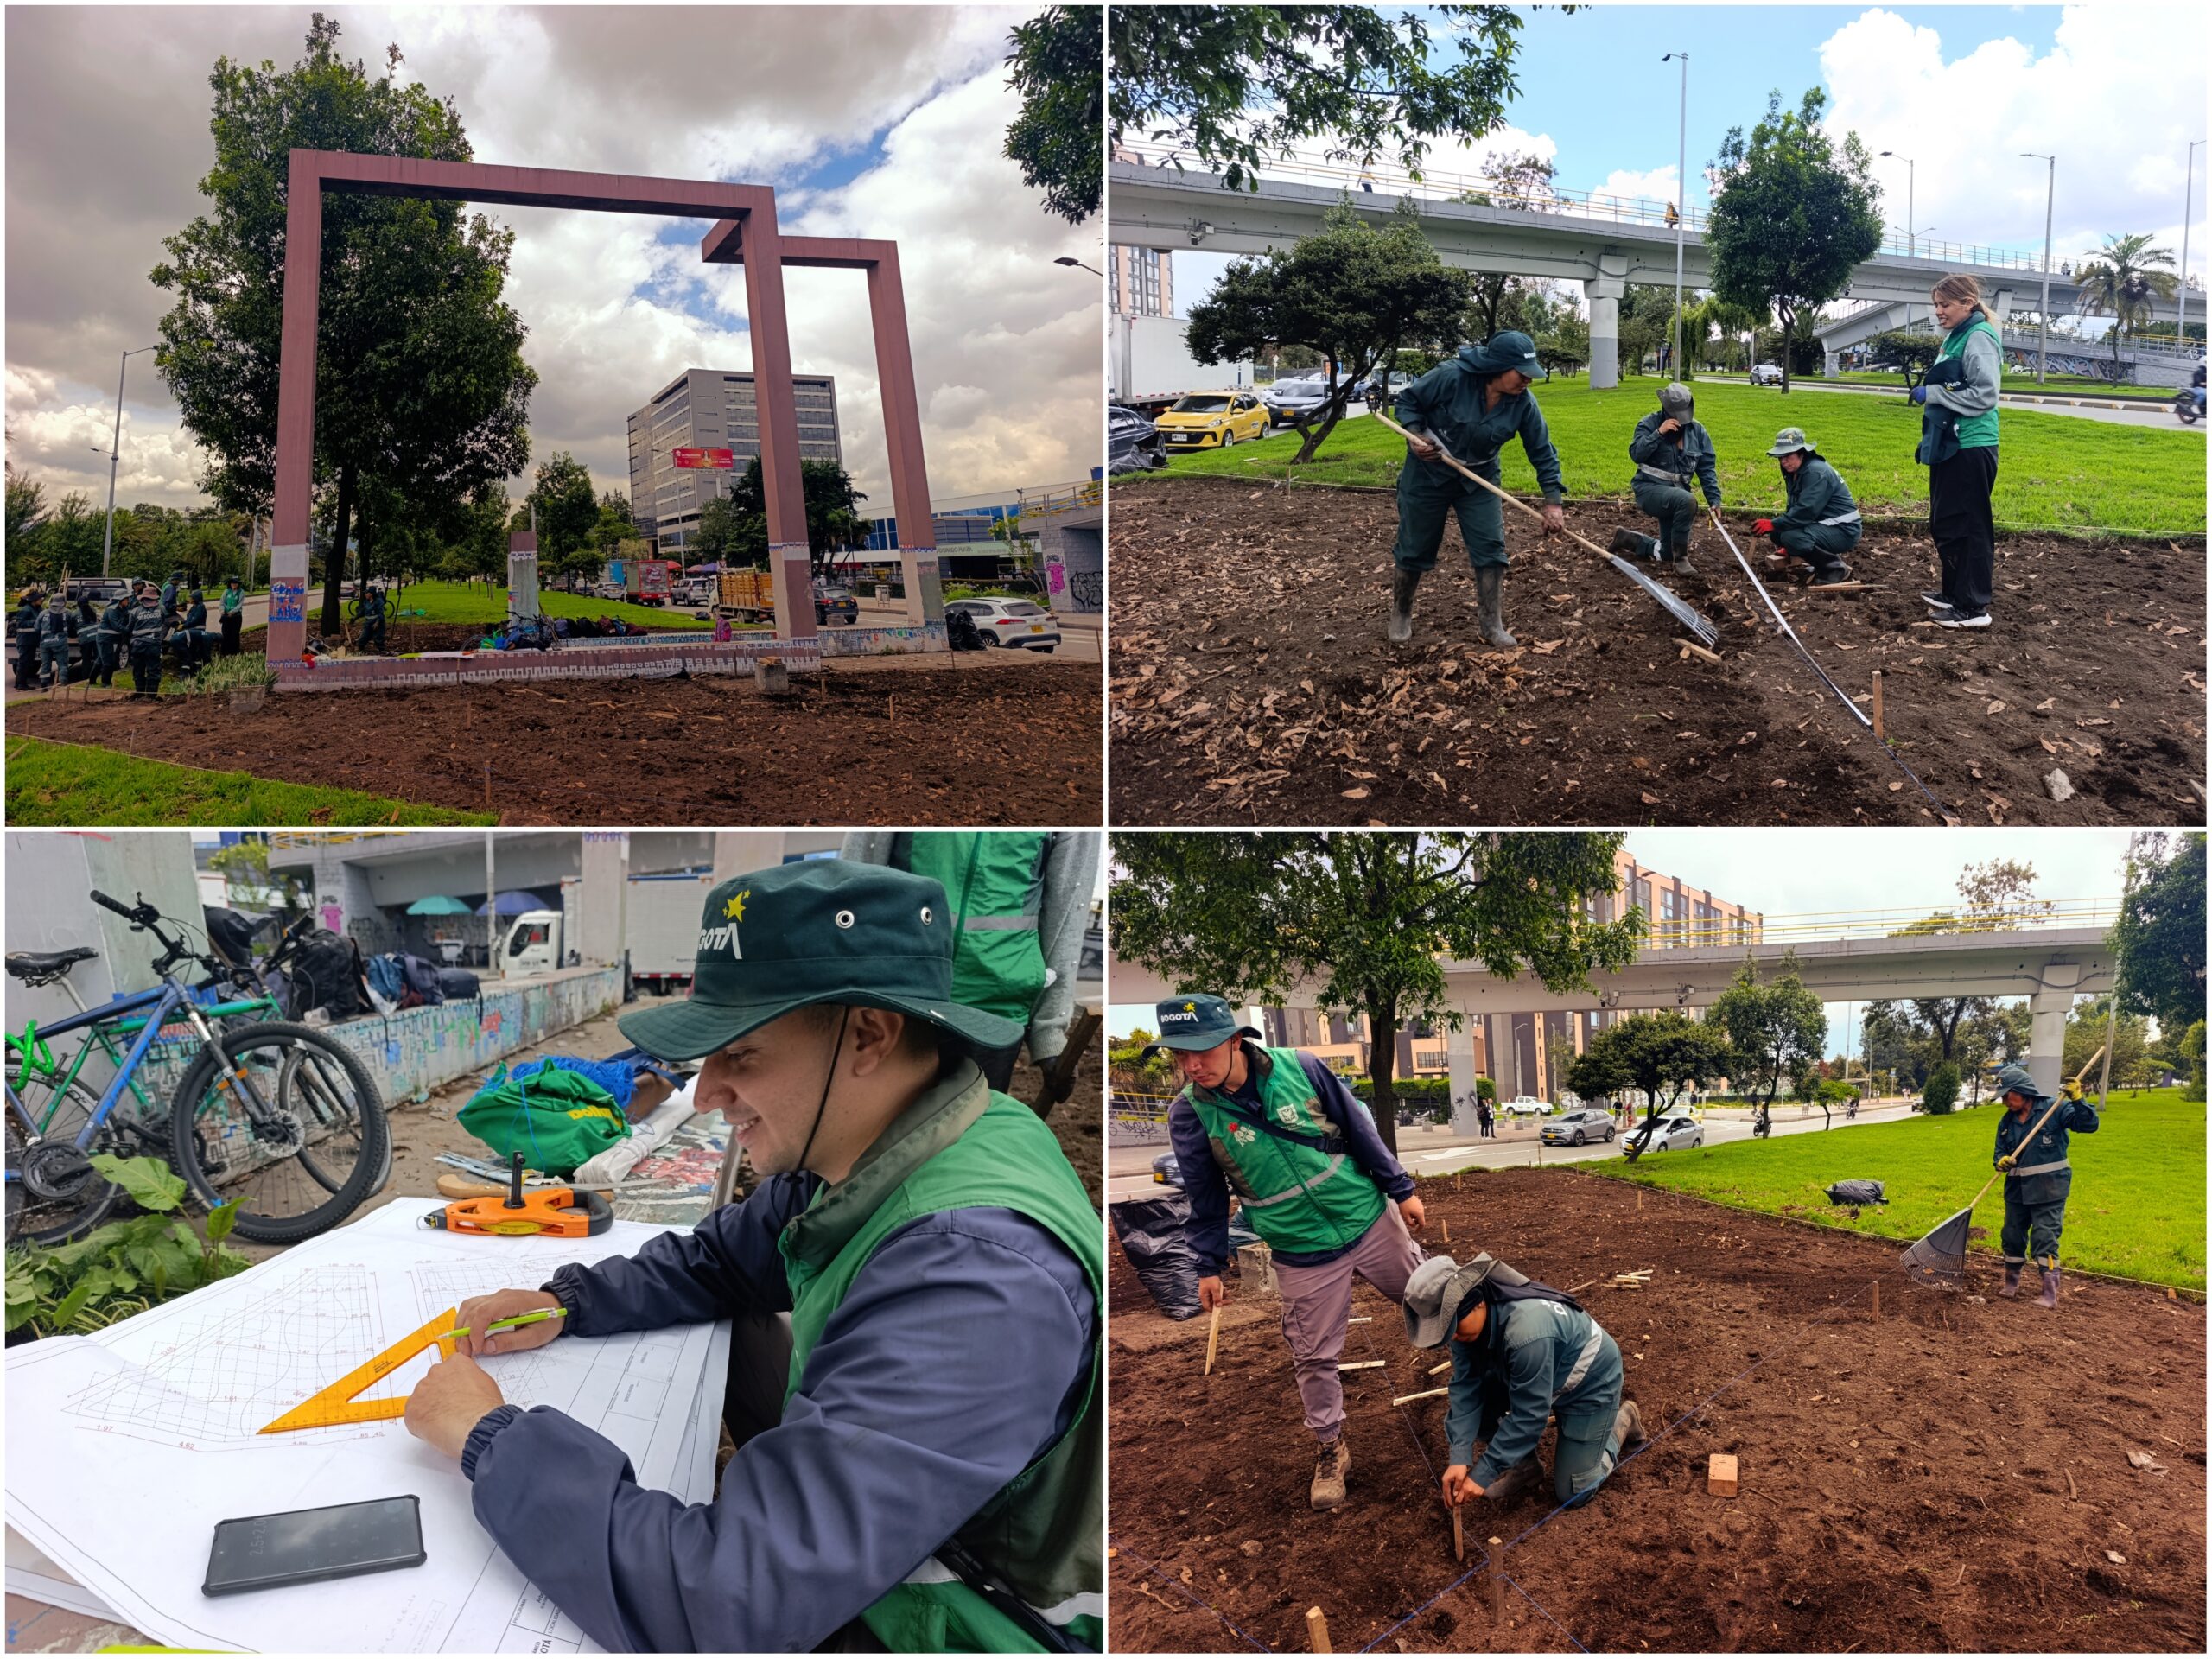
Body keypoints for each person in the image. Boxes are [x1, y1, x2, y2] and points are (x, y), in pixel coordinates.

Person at [398, 861, 1103, 1653]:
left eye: (741, 1053)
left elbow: (729, 1601)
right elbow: (722, 1261)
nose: (704, 1094)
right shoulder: (881, 1142)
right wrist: (569, 1301)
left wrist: (491, 1437)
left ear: (868, 1035)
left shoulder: (978, 1281)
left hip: (970, 1615)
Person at [1149, 994, 1423, 1510]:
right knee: (1313, 1356)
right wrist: (1208, 1265)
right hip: (1301, 1249)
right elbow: (1205, 1195)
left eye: (1200, 1051)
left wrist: (1401, 1189)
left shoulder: (1302, 1069)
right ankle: (1330, 1449)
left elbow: (1360, 1129)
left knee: (1437, 1302)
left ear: (1234, 1041)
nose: (1189, 1065)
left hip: (1368, 1219)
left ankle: (1493, 1385)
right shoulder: (1190, 1114)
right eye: (1177, 1056)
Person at [839, 832, 1099, 1095]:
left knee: (970, 1131)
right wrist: (840, 981)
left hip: (995, 1013)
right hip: (900, 993)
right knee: (879, 1127)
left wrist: (1050, 1029)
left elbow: (1068, 910)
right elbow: (858, 868)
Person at [1403, 1252, 1645, 1513]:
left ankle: (1622, 1421)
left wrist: (1484, 1472)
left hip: (1589, 1384)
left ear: (1478, 1303)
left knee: (1574, 1493)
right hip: (1538, 1375)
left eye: (1453, 1327)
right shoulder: (1466, 1331)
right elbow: (1466, 1387)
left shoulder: (1526, 1332)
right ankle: (1526, 1469)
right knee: (1481, 1402)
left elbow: (1530, 1416)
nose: (1454, 1338)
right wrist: (1459, 1456)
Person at [1388, 330, 1567, 648]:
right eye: (1522, 374)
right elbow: (1408, 402)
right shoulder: (1450, 377)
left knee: (1490, 547)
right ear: (1497, 368)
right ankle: (1401, 613)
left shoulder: (1523, 403)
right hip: (1427, 473)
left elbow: (1542, 450)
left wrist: (1553, 502)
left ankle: (1491, 624)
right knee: (1415, 546)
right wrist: (1414, 437)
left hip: (1478, 479)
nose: (1529, 380)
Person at [1910, 274, 2003, 630]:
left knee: (1969, 525)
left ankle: (1973, 607)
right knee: (1946, 521)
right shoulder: (1956, 336)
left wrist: (1932, 395)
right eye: (1935, 304)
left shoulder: (1979, 337)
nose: (1938, 311)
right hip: (1950, 443)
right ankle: (1953, 592)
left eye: (1945, 304)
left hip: (1972, 445)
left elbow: (1985, 395)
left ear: (1967, 303)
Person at [1991, 1060, 2099, 1308]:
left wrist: (2078, 1100)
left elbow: (2088, 1125)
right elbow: (1998, 1154)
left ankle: (2049, 1292)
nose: (2004, 1102)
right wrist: (2001, 1162)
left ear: (2022, 1091)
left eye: (2007, 1096)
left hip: (2049, 1188)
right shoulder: (2006, 1123)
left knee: (2045, 1236)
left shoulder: (2055, 1108)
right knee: (2012, 1235)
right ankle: (2011, 1282)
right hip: (2017, 1191)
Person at [1611, 382, 1721, 569]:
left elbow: (1707, 469)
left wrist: (1714, 500)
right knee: (1687, 501)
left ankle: (1627, 538)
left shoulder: (1698, 432)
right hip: (1649, 489)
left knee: (1666, 553)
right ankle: (1682, 560)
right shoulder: (1648, 424)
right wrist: (1658, 434)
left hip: (1676, 494)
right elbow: (1636, 454)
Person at [1751, 427, 1861, 585]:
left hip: (1844, 529)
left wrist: (1774, 524)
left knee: (1793, 538)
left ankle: (1834, 568)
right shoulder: (1795, 470)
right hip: (1824, 523)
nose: (1783, 461)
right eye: (1780, 457)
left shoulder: (1816, 472)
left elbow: (1805, 511)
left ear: (1801, 452)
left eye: (1788, 456)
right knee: (1778, 534)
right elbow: (1794, 506)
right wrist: (1779, 531)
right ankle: (1818, 562)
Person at [124, 581, 168, 697]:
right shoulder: (161, 609)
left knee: (138, 669)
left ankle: (139, 693)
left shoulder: (135, 611)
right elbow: (164, 622)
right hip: (153, 645)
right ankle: (151, 695)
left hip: (137, 645)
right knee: (153, 669)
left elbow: (129, 628)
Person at [35, 591, 76, 690]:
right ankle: (62, 685)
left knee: (45, 665)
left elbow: (36, 628)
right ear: (64, 602)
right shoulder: (68, 613)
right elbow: (71, 627)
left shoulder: (43, 613)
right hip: (60, 643)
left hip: (45, 644)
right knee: (62, 664)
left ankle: (44, 686)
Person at [93, 588, 130, 688]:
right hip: (105, 638)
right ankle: (106, 683)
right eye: (126, 599)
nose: (128, 601)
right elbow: (116, 626)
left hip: (111, 638)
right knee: (108, 662)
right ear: (121, 599)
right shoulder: (112, 610)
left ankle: (92, 680)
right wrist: (128, 630)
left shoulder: (123, 609)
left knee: (101, 660)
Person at [174, 587, 212, 671]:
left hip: (197, 631)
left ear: (195, 598)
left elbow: (195, 621)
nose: (189, 599)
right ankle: (193, 666)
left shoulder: (200, 608)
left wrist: (183, 626)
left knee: (195, 650)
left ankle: (197, 668)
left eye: (191, 597)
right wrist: (181, 623)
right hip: (192, 631)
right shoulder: (194, 607)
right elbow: (189, 620)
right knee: (192, 649)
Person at [352, 581, 388, 652]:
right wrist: (355, 618)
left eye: (367, 593)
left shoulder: (379, 601)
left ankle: (382, 651)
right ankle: (360, 651)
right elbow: (363, 612)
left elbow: (381, 614)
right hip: (368, 623)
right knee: (363, 638)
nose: (365, 594)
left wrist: (377, 623)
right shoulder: (366, 602)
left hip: (378, 623)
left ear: (371, 594)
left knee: (379, 638)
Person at [219, 575, 245, 656]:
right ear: (230, 583)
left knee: (234, 634)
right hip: (226, 616)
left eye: (236, 583)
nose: (234, 584)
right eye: (233, 582)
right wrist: (222, 611)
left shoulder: (241, 592)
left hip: (236, 617)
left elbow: (239, 605)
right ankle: (224, 652)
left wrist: (232, 612)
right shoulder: (226, 591)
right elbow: (222, 602)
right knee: (225, 633)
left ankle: (234, 652)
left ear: (238, 584)